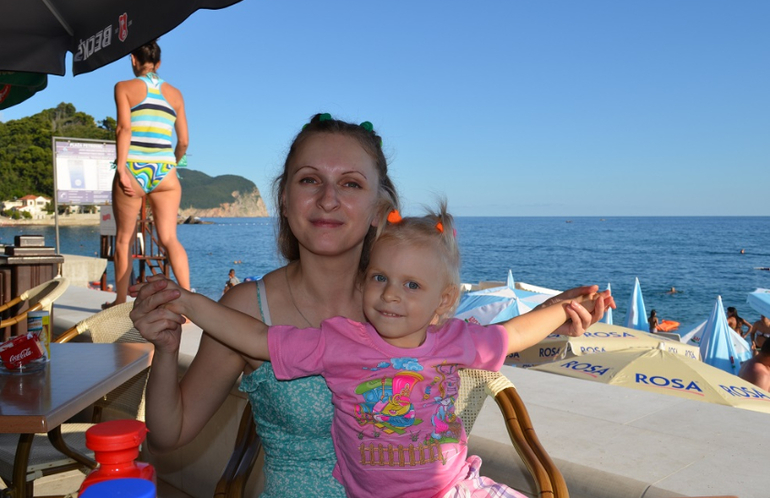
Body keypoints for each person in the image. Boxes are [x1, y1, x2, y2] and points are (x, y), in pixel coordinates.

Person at [129, 113, 612, 498]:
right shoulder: (247, 308)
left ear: (380, 208)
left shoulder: (406, 304)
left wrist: (556, 312)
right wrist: (166, 349)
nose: (328, 199)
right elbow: (169, 435)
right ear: (285, 198)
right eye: (309, 180)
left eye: (351, 184)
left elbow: (501, 335)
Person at [104, 40, 190, 309]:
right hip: (166, 172)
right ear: (158, 63)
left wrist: (121, 168)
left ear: (133, 59)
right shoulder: (175, 94)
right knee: (170, 239)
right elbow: (184, 142)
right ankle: (190, 304)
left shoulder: (123, 87)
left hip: (133, 168)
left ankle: (120, 301)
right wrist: (171, 165)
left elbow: (123, 129)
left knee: (124, 239)